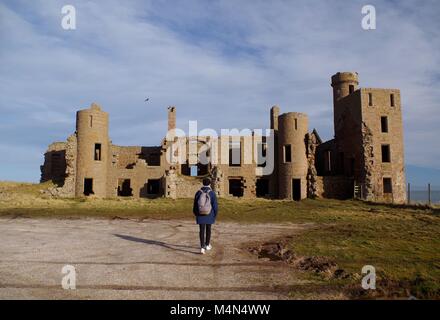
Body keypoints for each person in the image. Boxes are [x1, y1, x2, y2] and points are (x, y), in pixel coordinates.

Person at [193, 177, 218, 254]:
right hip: (209, 214)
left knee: (201, 231)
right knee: (208, 229)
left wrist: (196, 213)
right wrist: (215, 214)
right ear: (210, 183)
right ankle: (207, 245)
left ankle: (202, 247)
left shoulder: (198, 192)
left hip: (200, 214)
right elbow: (215, 206)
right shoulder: (212, 193)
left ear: (202, 183)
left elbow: (195, 205)